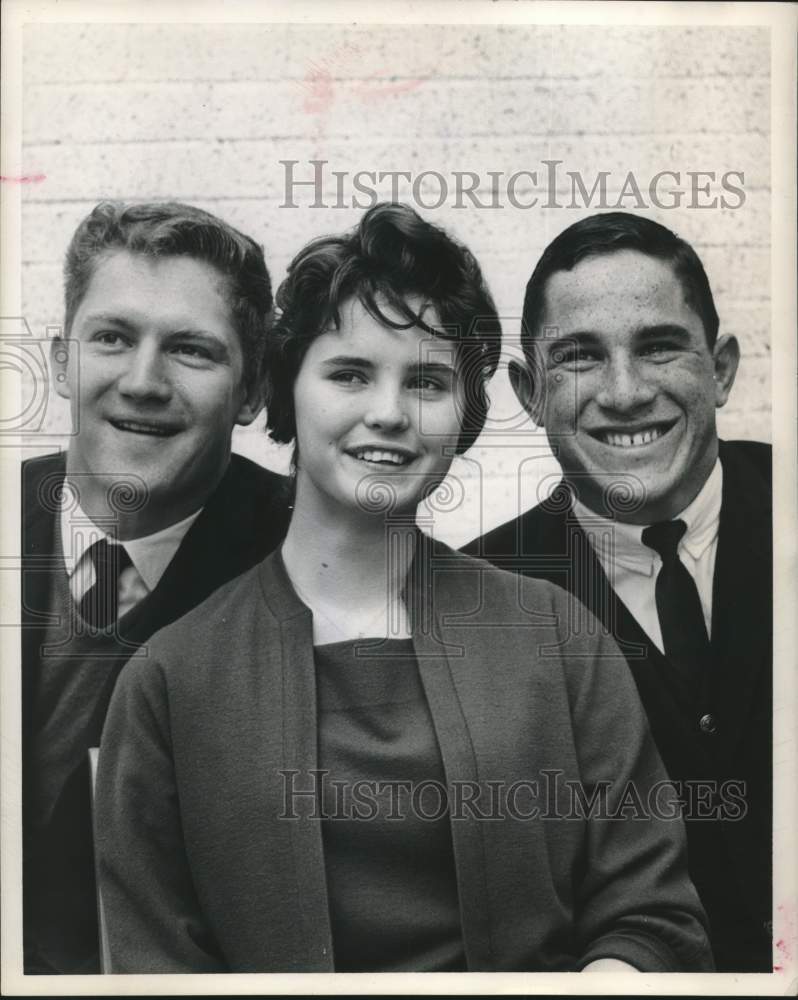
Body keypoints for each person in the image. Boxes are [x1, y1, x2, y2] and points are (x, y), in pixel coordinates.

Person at [94, 202, 712, 974]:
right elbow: (155, 966)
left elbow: (652, 915)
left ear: (465, 415)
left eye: (425, 380)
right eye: (350, 373)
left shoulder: (560, 637)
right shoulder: (166, 682)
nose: (388, 414)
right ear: (288, 392)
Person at [463, 211, 771, 972]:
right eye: (580, 358)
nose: (625, 392)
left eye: (659, 347)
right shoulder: (476, 601)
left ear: (722, 368)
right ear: (531, 394)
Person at [21, 201, 291, 974]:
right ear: (60, 361)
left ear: (251, 393)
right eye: (111, 338)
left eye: (191, 351)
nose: (143, 382)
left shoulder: (313, 563)